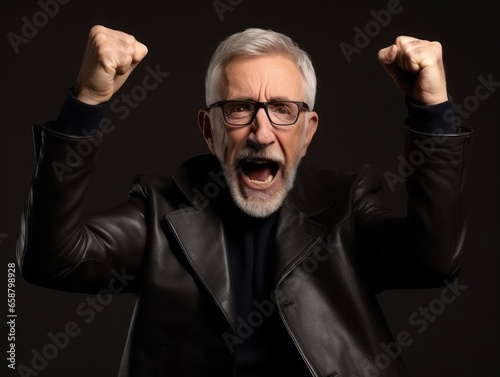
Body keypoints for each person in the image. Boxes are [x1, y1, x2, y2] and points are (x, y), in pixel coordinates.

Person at [17, 25, 473, 377]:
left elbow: (434, 259)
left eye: (282, 109)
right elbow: (50, 260)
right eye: (238, 108)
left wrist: (432, 109)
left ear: (307, 130)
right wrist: (89, 101)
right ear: (208, 130)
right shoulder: (162, 212)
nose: (260, 131)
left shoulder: (345, 208)